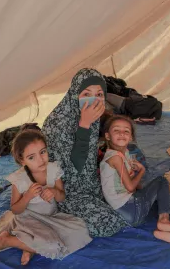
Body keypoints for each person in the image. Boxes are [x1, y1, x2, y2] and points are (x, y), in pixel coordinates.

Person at [0, 130, 92, 265]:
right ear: (22, 161)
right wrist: (27, 196)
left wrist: (54, 192)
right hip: (28, 220)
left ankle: (28, 247)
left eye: (43, 152)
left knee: (80, 231)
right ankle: (7, 240)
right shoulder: (20, 180)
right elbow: (15, 209)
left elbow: (61, 197)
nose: (40, 159)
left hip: (51, 217)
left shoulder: (53, 169)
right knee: (54, 247)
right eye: (31, 157)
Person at [42, 68, 129, 237]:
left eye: (99, 94)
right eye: (86, 93)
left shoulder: (90, 113)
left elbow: (89, 154)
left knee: (123, 208)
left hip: (88, 182)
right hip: (66, 190)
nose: (94, 100)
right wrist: (84, 125)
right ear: (75, 94)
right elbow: (73, 169)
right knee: (108, 224)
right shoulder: (57, 124)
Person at [100, 115, 170, 244]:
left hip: (128, 212)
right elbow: (131, 187)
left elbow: (135, 187)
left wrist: (145, 189)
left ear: (131, 137)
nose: (122, 134)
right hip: (129, 210)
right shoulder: (115, 158)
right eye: (116, 130)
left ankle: (162, 230)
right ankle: (163, 221)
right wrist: (141, 171)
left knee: (168, 199)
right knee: (161, 182)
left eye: (126, 131)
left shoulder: (125, 154)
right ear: (107, 136)